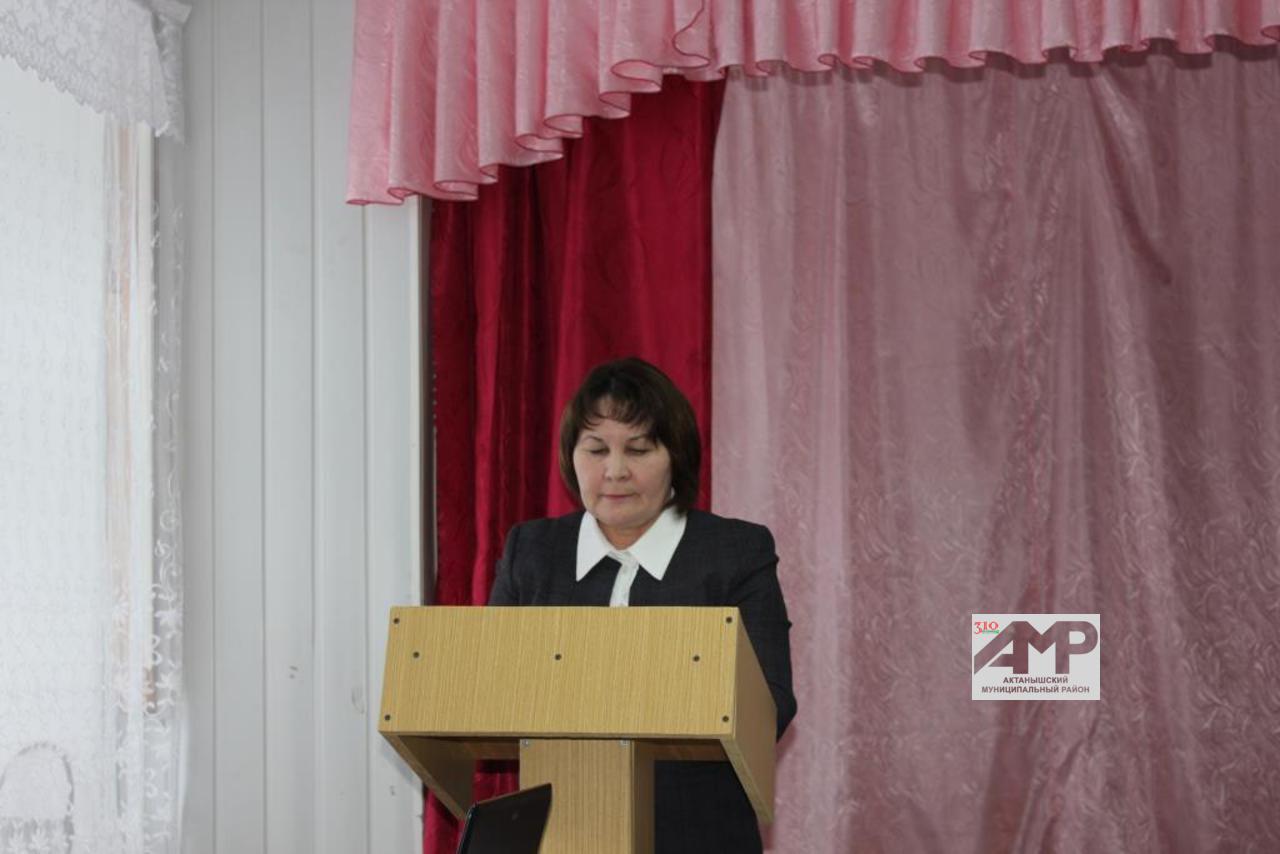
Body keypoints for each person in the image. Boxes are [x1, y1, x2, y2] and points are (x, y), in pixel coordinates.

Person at [489, 357, 797, 854]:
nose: (615, 471)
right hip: (563, 829)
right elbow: (490, 689)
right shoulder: (533, 551)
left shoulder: (734, 553)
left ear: (676, 456)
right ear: (571, 457)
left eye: (638, 449)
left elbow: (771, 705)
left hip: (699, 832)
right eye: (596, 449)